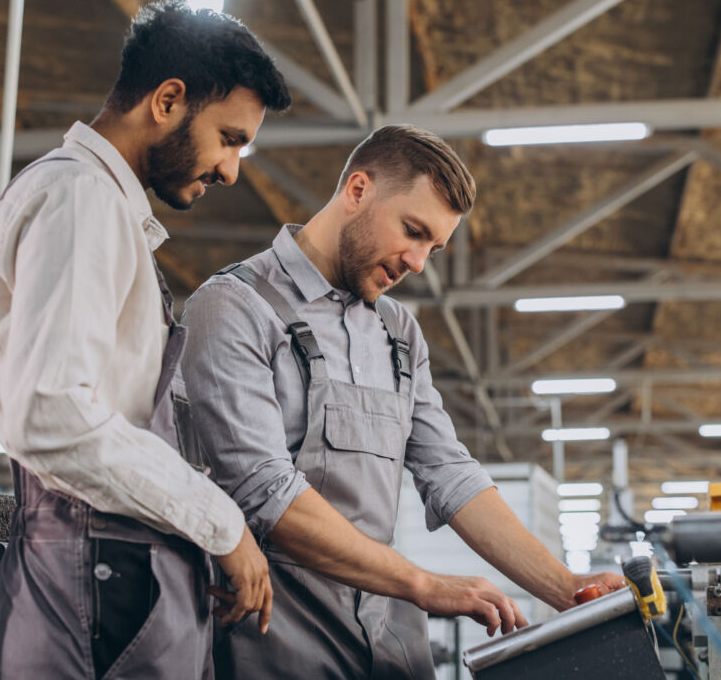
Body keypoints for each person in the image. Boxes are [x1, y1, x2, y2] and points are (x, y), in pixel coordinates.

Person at [180, 124, 627, 679]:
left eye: (433, 248)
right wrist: (424, 583)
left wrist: (568, 588)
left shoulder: (397, 331)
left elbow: (449, 472)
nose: (418, 262)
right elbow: (266, 493)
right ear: (359, 190)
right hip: (275, 639)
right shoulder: (234, 308)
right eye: (413, 231)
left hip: (389, 641)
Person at [0, 1, 291, 679]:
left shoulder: (104, 206)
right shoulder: (81, 198)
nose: (232, 169)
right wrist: (219, 521)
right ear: (169, 100)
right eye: (229, 137)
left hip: (105, 570)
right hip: (92, 575)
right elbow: (52, 411)